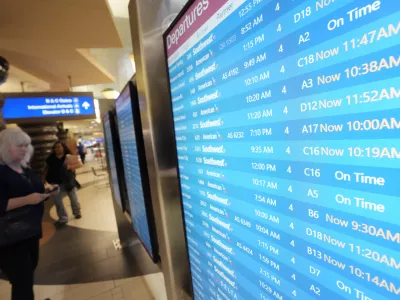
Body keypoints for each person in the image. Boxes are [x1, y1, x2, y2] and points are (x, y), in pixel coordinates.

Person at [0, 127, 57, 300]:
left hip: (30, 231)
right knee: (22, 280)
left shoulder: (26, 169)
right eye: (19, 145)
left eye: (26, 145)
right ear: (5, 146)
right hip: (10, 238)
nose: (24, 149)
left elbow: (34, 192)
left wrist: (45, 192)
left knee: (27, 274)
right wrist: (27, 200)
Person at [43, 141, 82, 226]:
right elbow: (46, 169)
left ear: (63, 148)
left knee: (73, 199)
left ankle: (76, 212)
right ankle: (63, 218)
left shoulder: (68, 157)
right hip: (55, 183)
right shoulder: (50, 158)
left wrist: (70, 167)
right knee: (57, 202)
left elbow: (77, 166)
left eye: (59, 147)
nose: (57, 148)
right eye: (56, 147)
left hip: (68, 181)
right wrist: (43, 178)